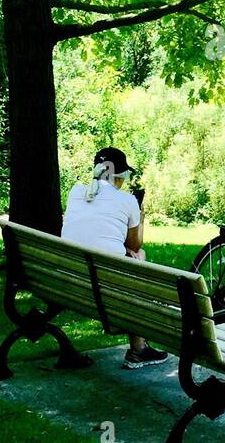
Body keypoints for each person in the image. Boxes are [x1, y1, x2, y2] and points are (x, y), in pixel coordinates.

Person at [60, 147, 168, 369]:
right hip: (107, 291)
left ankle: (140, 347)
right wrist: (141, 216)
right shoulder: (127, 200)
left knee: (128, 257)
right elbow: (134, 245)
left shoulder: (75, 191)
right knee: (139, 255)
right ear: (120, 175)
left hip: (68, 282)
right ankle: (138, 348)